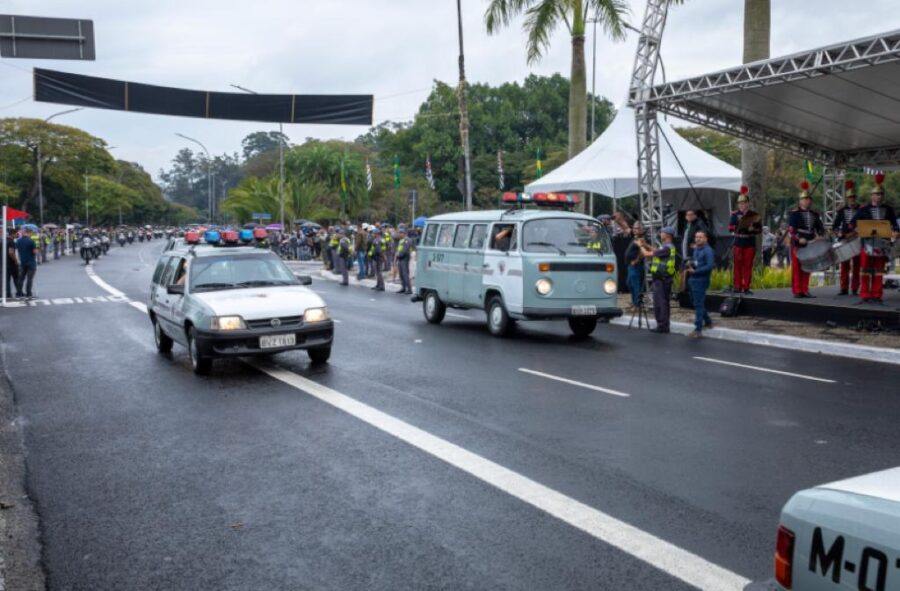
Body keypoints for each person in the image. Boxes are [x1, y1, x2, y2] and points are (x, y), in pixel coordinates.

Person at [850, 173, 899, 304]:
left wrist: (895, 232)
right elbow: (852, 223)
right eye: (876, 194)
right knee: (865, 270)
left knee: (878, 271)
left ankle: (877, 295)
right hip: (866, 243)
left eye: (881, 194)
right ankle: (865, 295)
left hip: (882, 244)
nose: (878, 197)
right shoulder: (863, 209)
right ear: (871, 196)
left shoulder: (889, 210)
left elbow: (895, 225)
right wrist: (856, 229)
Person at [788, 181, 825, 298]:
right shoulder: (794, 213)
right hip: (798, 243)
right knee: (797, 268)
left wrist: (821, 235)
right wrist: (799, 239)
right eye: (804, 199)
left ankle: (805, 289)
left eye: (808, 199)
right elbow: (791, 230)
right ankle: (797, 291)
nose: (806, 201)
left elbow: (820, 228)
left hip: (810, 243)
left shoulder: (814, 214)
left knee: (807, 267)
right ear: (800, 201)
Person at [639, 227, 677, 334]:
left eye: (662, 233)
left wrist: (641, 246)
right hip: (663, 279)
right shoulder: (666, 247)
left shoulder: (667, 248)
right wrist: (645, 245)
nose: (660, 234)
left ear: (668, 235)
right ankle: (664, 325)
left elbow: (647, 254)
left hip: (662, 279)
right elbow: (655, 251)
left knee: (660, 303)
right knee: (664, 302)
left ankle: (662, 326)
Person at [728, 186, 762, 294]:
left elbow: (759, 229)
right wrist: (739, 227)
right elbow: (730, 228)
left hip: (749, 242)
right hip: (738, 241)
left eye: (744, 203)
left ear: (748, 203)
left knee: (748, 266)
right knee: (737, 266)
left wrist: (753, 229)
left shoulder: (754, 215)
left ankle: (746, 287)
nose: (742, 205)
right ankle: (737, 286)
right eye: (740, 203)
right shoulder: (735, 214)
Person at [832, 179, 861, 296]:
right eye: (850, 197)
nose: (852, 199)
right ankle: (844, 288)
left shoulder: (861, 209)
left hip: (857, 238)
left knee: (857, 265)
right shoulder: (842, 210)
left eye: (853, 197)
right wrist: (838, 233)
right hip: (844, 239)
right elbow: (835, 226)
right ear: (847, 198)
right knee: (844, 265)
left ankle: (855, 288)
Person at [686, 230, 715, 338]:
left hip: (701, 280)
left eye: (700, 237)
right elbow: (697, 262)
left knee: (698, 304)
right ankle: (708, 321)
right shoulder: (696, 249)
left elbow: (709, 266)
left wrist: (696, 271)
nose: (697, 239)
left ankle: (698, 329)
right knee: (696, 302)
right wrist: (691, 263)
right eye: (696, 237)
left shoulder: (708, 251)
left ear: (706, 239)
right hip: (693, 279)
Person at [623, 222, 646, 311]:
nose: (635, 230)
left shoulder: (641, 239)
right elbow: (625, 227)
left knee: (635, 285)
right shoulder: (635, 237)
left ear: (641, 230)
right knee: (629, 284)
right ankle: (634, 303)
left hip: (636, 266)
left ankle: (637, 305)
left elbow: (642, 252)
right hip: (630, 265)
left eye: (637, 228)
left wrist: (636, 261)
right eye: (634, 228)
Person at [15, 228, 38, 299]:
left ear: (22, 233)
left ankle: (19, 293)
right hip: (31, 262)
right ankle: (28, 293)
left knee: (21, 278)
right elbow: (34, 252)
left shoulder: (18, 241)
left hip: (22, 262)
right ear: (28, 233)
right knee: (29, 279)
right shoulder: (31, 241)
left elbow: (17, 251)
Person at [395, 228, 413, 295]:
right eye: (399, 233)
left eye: (401, 233)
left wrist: (399, 254)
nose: (399, 234)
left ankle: (409, 289)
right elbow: (399, 249)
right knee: (401, 274)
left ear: (404, 233)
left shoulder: (407, 240)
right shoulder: (401, 240)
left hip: (404, 258)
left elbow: (405, 250)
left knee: (405, 274)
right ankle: (403, 287)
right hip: (400, 258)